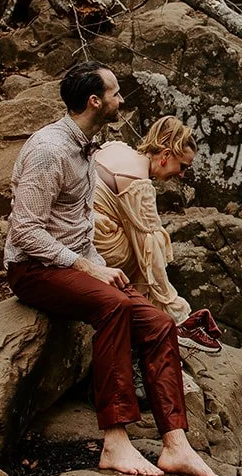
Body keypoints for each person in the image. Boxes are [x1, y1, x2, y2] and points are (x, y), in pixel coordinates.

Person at [3, 61, 224, 476]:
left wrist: (100, 266)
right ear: (95, 101)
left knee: (159, 324)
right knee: (113, 308)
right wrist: (88, 267)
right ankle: (115, 439)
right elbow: (25, 231)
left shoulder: (88, 146)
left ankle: (176, 445)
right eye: (116, 93)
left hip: (75, 264)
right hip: (33, 269)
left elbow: (79, 225)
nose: (121, 101)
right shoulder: (49, 150)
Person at [90, 115, 225, 354]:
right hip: (96, 242)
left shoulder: (116, 148)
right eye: (183, 166)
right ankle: (171, 323)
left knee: (147, 238)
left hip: (76, 229)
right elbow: (150, 252)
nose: (182, 174)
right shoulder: (139, 184)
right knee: (150, 247)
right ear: (165, 155)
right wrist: (177, 310)